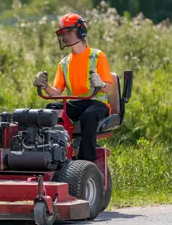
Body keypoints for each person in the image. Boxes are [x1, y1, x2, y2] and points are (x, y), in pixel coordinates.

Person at [33, 13, 113, 162]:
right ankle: (57, 153)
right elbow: (56, 92)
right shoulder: (64, 63)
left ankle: (86, 160)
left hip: (98, 103)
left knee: (88, 116)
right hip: (76, 103)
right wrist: (45, 86)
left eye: (68, 32)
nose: (65, 37)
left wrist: (101, 84)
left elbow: (109, 88)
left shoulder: (97, 56)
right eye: (62, 34)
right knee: (52, 108)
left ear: (80, 31)